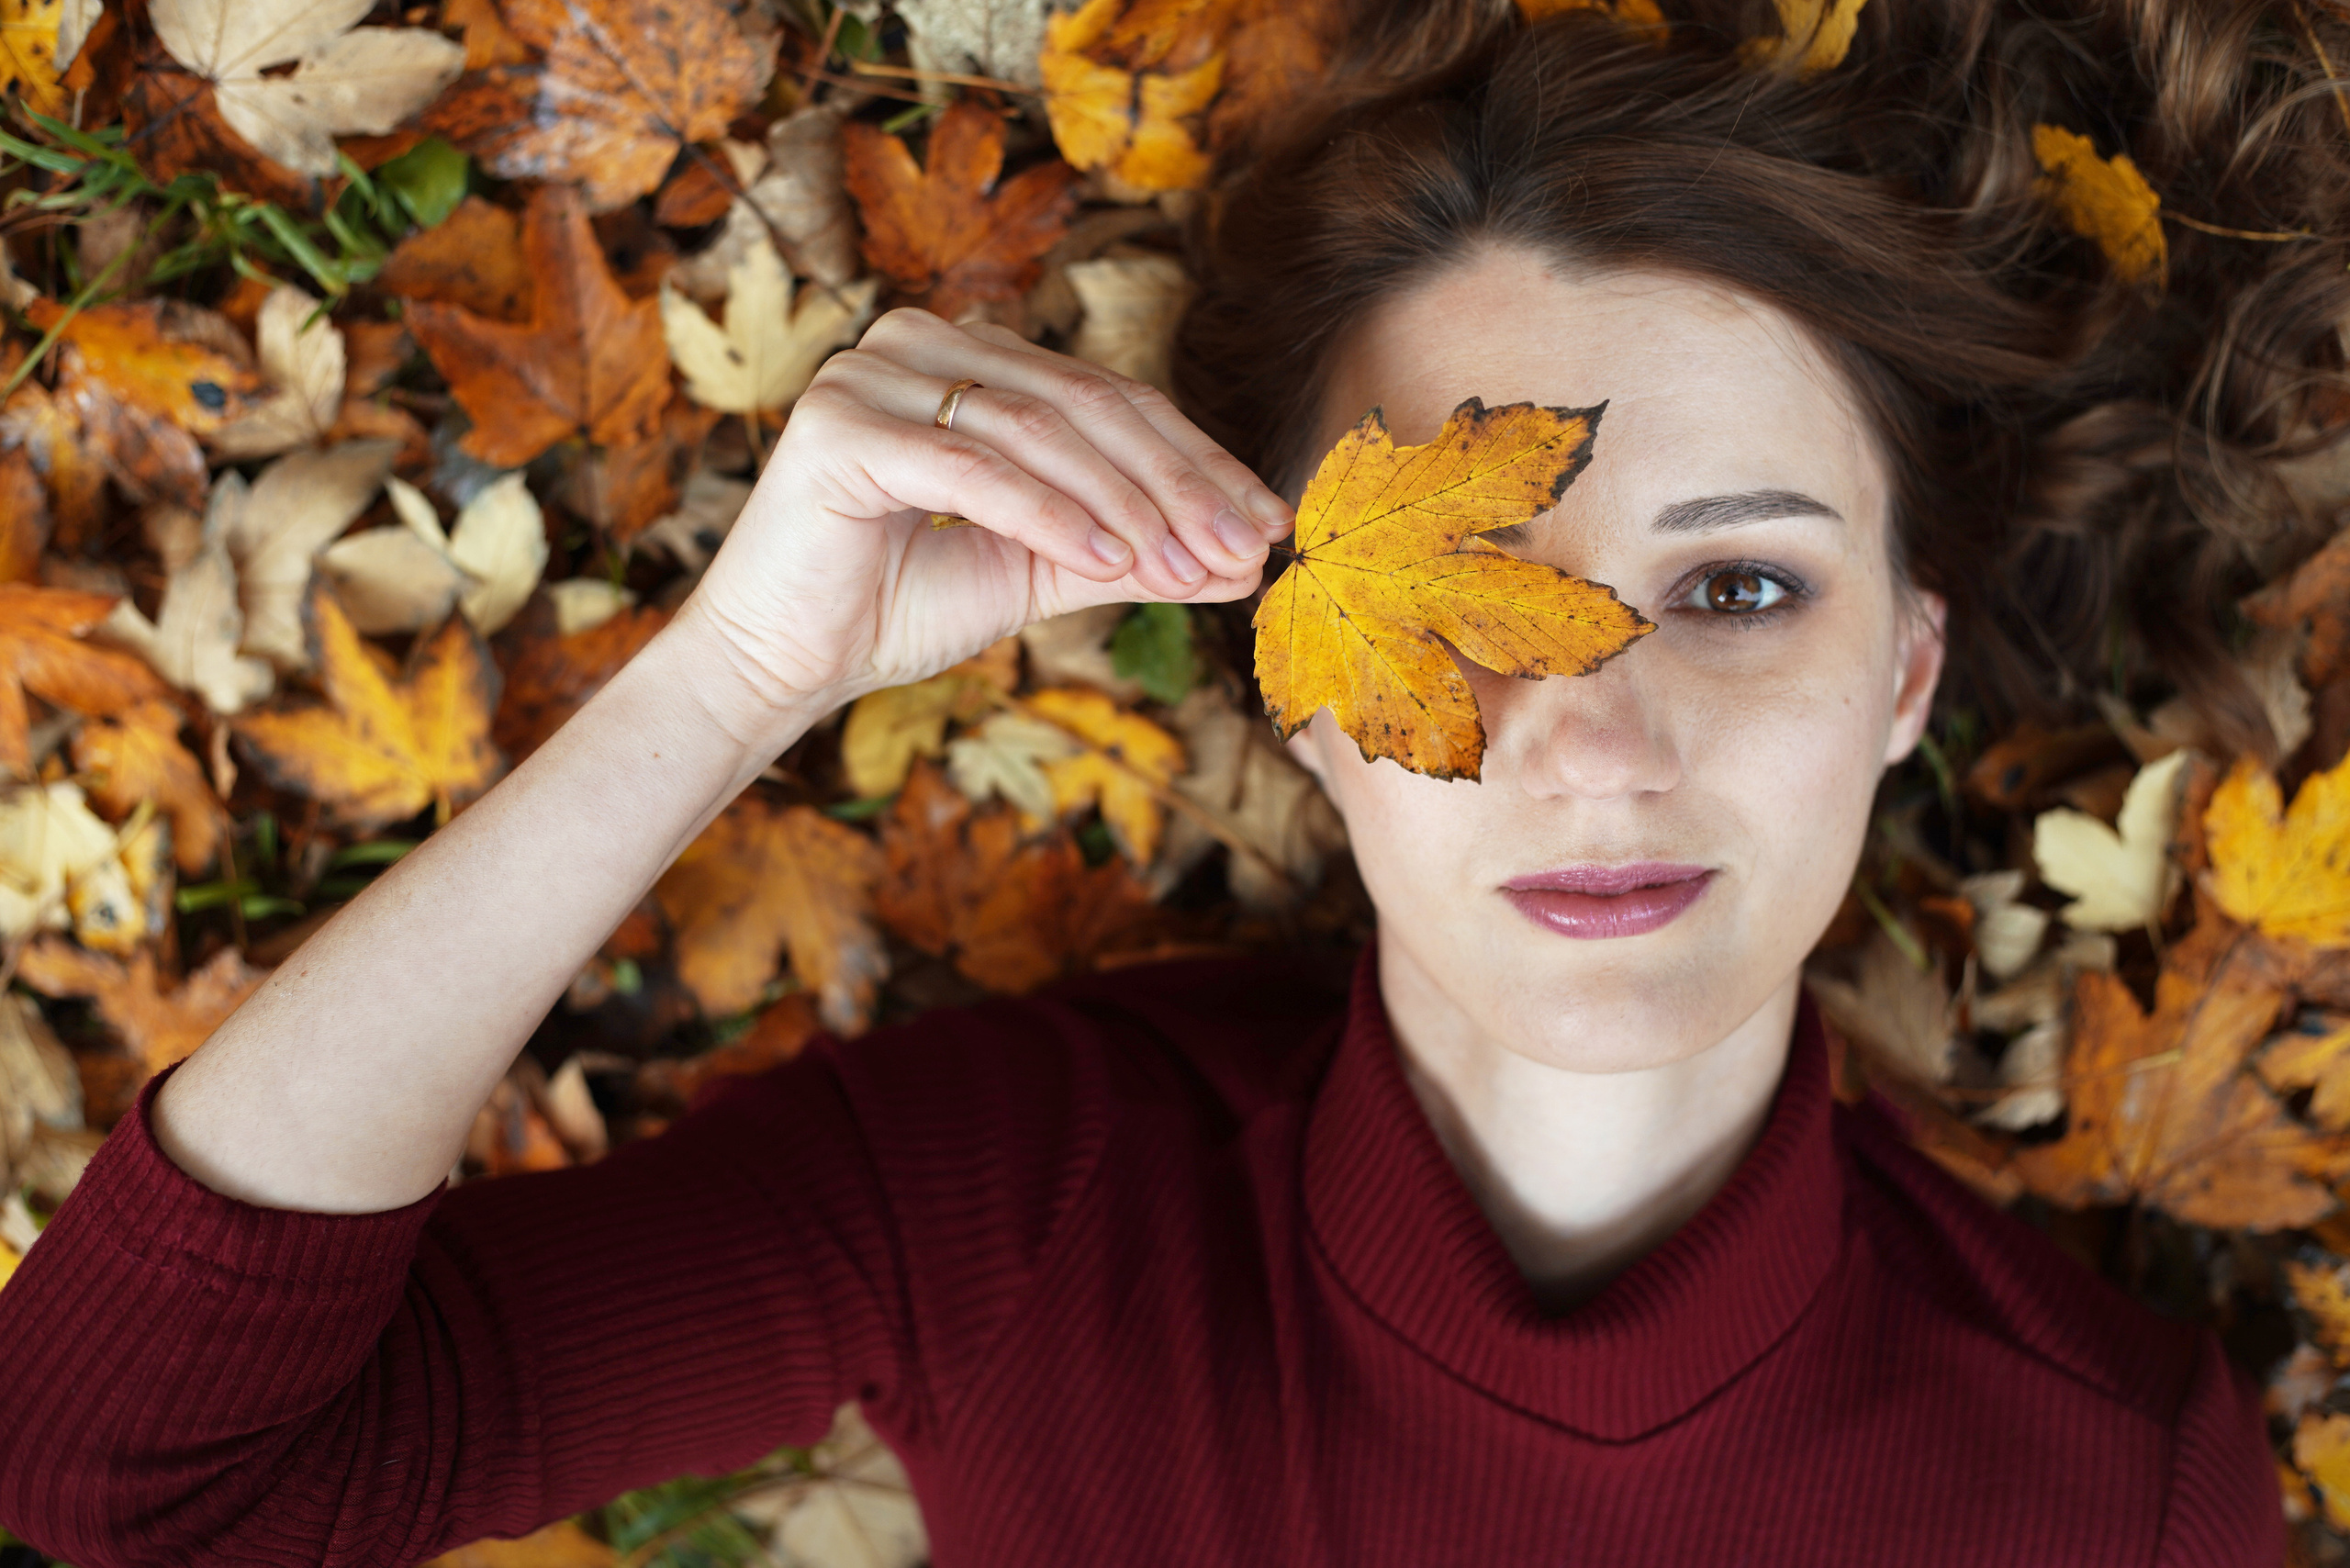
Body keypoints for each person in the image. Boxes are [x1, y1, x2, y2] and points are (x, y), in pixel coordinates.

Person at [0, 0, 2329, 1562]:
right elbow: (126, 1476)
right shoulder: (1025, 1211)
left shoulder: (2107, 1476)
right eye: (1444, 611)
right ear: (1290, 671)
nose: (1596, 740)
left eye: (1736, 592)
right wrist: (734, 673)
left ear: (1905, 667)